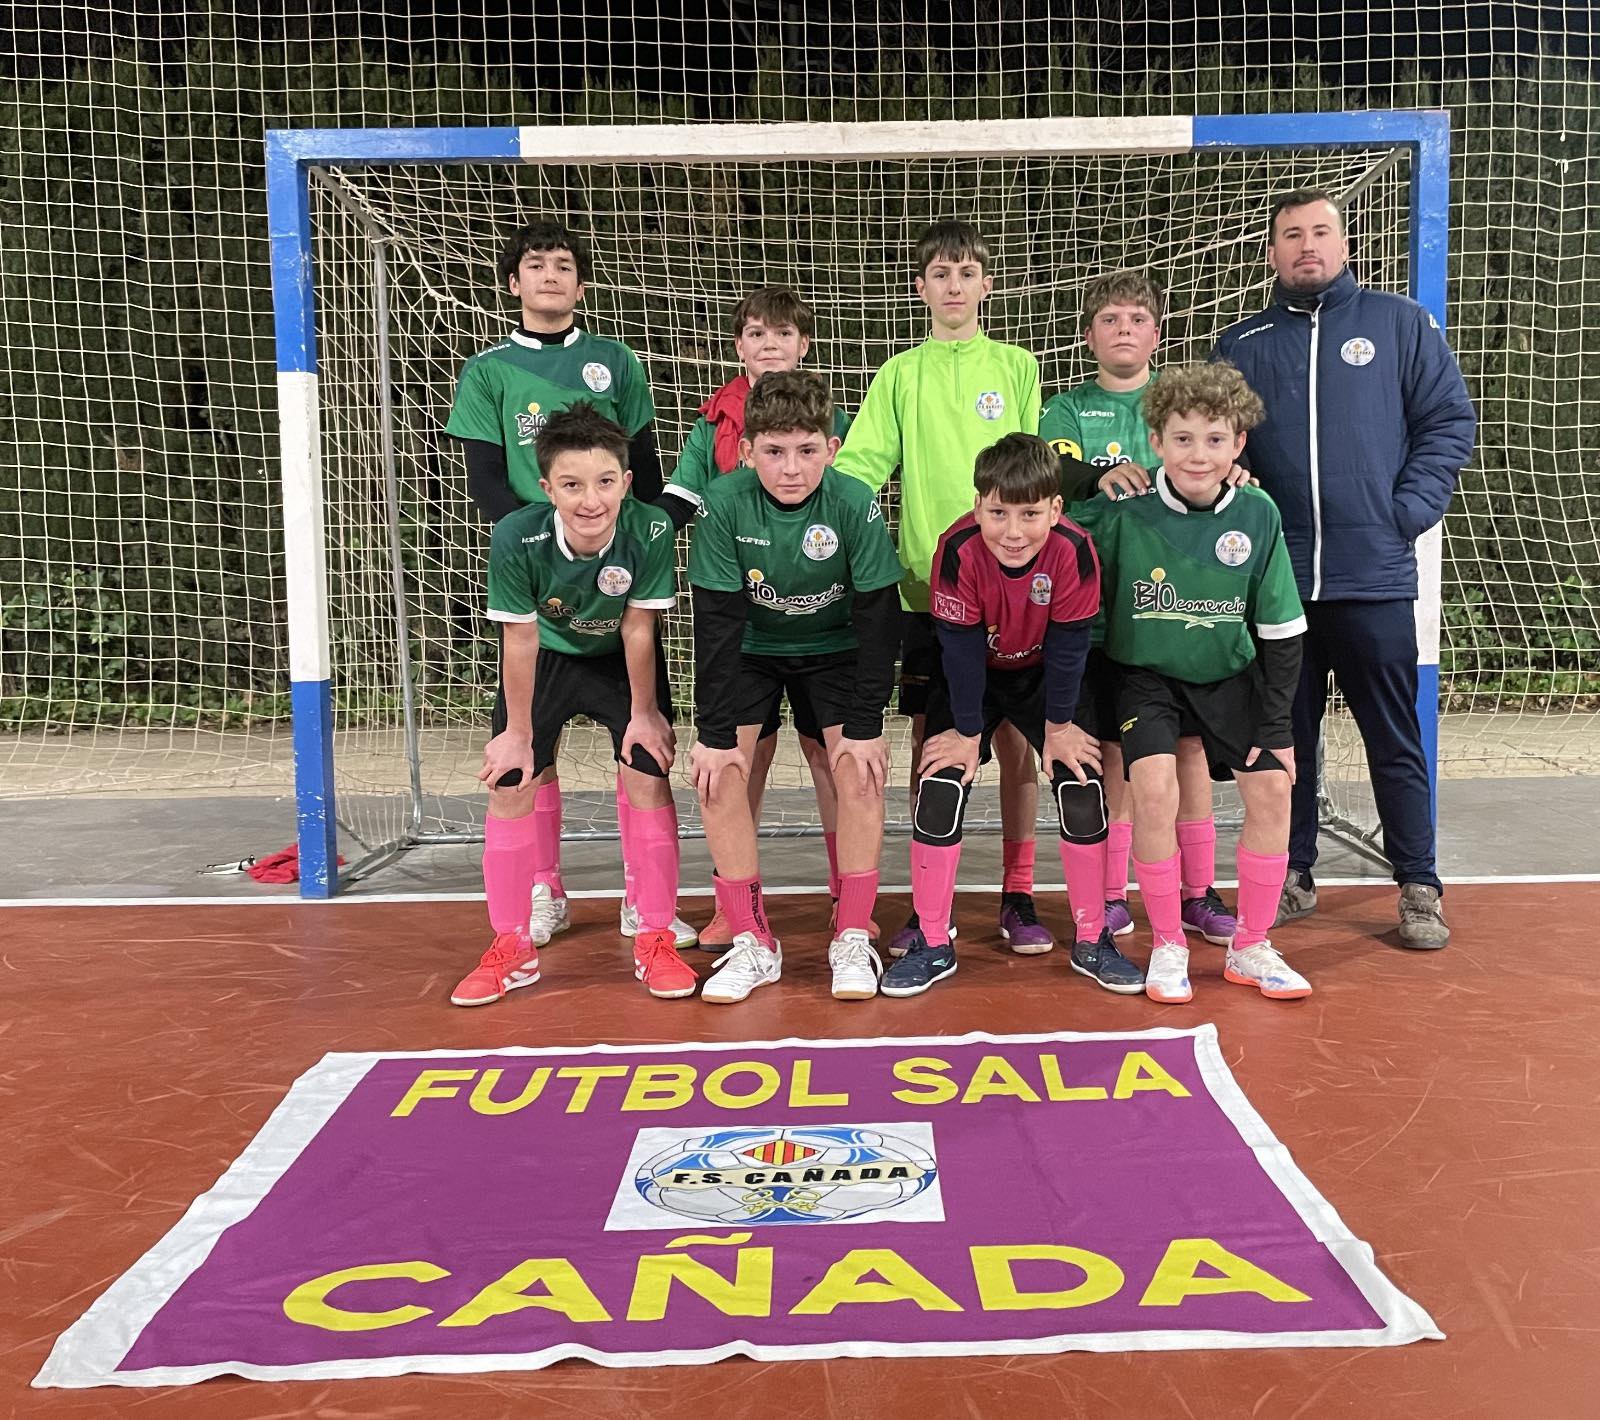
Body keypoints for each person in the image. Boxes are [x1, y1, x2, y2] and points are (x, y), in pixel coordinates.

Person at [1212, 189, 1476, 948]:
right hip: (1278, 583)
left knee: (1395, 739)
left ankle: (1419, 882)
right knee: (1283, 740)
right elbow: (1217, 443)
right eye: (1290, 235)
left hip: (1374, 576)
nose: (1306, 246)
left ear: (1345, 245)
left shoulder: (1398, 325)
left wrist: (1407, 510)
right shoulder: (1242, 343)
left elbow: (1448, 421)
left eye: (1320, 232)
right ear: (1271, 253)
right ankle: (1292, 872)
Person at [444, 218, 695, 948]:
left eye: (563, 265)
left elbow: (642, 468)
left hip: (614, 590)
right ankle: (543, 889)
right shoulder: (488, 370)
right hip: (543, 583)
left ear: (581, 284)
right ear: (514, 282)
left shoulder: (615, 359)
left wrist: (628, 535)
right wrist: (546, 544)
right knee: (529, 756)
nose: (550, 274)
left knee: (645, 748)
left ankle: (642, 902)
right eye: (535, 264)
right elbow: (487, 478)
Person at [836, 219, 1049, 958]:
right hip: (929, 596)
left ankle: (1018, 894)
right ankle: (936, 904)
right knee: (936, 747)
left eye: (966, 273)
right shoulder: (899, 374)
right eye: (940, 274)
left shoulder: (1017, 366)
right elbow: (861, 466)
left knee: (1019, 747)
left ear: (986, 285)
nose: (953, 285)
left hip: (1020, 593)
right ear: (919, 287)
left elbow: (1035, 472)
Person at [1070, 364, 1310, 1004]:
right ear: (1155, 442)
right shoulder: (1123, 509)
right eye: (1181, 439)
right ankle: (1169, 943)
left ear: (1238, 447)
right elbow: (1046, 517)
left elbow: (1282, 629)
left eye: (1213, 439)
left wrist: (1278, 727)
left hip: (1228, 674)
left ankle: (1252, 945)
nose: (1197, 454)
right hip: (1143, 675)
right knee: (1152, 789)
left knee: (1274, 790)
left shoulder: (1258, 512)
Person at [451, 405, 693, 1007]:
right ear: (546, 488)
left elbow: (640, 630)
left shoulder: (651, 531)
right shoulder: (516, 535)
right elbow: (521, 636)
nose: (591, 500)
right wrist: (515, 732)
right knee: (512, 778)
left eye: (606, 482)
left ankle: (654, 933)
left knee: (648, 772)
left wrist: (644, 714)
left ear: (628, 482)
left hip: (617, 657)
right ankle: (512, 945)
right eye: (572, 485)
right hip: (549, 658)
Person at [884, 432, 1128, 998]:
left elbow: (1070, 646)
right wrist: (967, 733)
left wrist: (1060, 727)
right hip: (972, 671)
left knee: (1082, 781)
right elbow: (962, 649)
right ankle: (932, 938)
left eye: (1030, 514)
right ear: (977, 506)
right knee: (941, 780)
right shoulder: (957, 550)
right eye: (997, 512)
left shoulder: (1074, 551)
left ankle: (1093, 937)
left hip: (1046, 670)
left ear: (1055, 509)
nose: (1013, 531)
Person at [687, 370, 904, 1003]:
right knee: (720, 770)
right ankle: (754, 941)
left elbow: (878, 617)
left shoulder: (853, 500)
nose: (791, 469)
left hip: (834, 650)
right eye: (775, 452)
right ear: (748, 449)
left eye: (807, 450)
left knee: (858, 768)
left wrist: (867, 725)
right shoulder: (725, 503)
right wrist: (713, 733)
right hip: (752, 651)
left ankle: (853, 931)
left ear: (831, 448)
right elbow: (718, 625)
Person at [659, 287, 859, 950]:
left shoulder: (831, 419)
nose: (769, 344)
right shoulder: (712, 419)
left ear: (805, 344)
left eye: (783, 333)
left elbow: (848, 502)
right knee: (741, 756)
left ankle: (846, 897)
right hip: (741, 616)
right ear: (738, 345)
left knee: (830, 754)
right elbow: (680, 501)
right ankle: (734, 906)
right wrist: (634, 551)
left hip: (818, 610)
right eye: (755, 333)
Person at [1043, 270, 1236, 948]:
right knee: (1119, 752)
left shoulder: (1176, 401)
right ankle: (1113, 890)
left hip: (1176, 598)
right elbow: (1054, 473)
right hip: (1096, 601)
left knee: (1188, 747)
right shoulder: (1066, 410)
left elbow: (1216, 457)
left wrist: (1230, 472)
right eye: (1109, 319)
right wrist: (1097, 475)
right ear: (1089, 334)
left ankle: (1199, 891)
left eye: (1136, 318)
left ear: (1157, 331)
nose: (1124, 329)